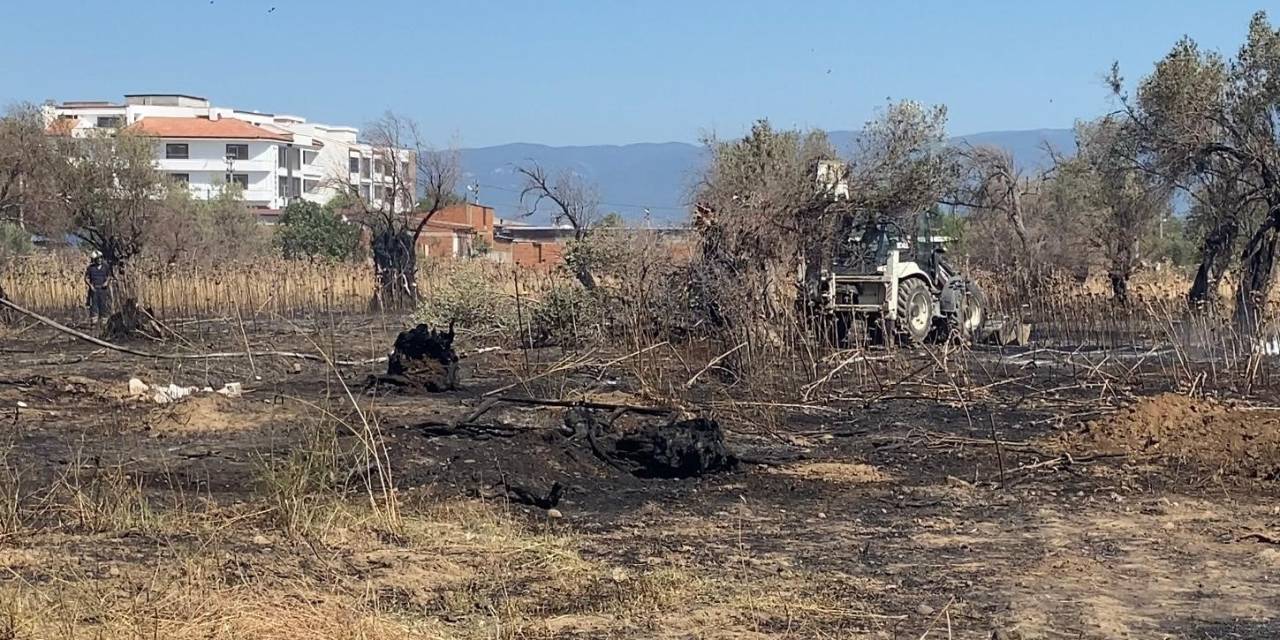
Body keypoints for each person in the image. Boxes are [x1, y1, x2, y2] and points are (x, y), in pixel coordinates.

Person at [84, 252, 112, 322]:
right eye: (98, 258)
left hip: (103, 289)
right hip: (94, 289)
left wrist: (106, 282)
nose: (99, 260)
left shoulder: (106, 266)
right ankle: (94, 321)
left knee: (104, 304)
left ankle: (104, 321)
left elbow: (109, 276)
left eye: (100, 258)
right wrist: (91, 286)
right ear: (94, 259)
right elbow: (86, 278)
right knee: (94, 305)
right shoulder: (90, 268)